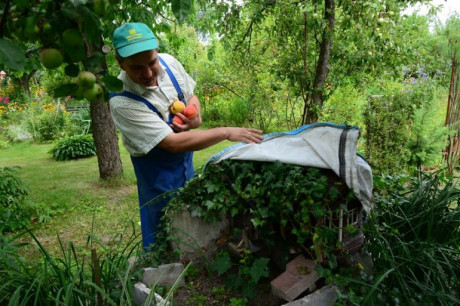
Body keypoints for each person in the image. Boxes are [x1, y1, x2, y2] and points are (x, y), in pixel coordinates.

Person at [109, 22, 263, 252]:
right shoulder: (122, 101)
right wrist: (226, 132)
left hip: (185, 160)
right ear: (121, 63)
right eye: (137, 68)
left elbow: (192, 98)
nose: (149, 73)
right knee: (162, 227)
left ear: (157, 51)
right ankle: (159, 268)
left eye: (152, 62)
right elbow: (171, 143)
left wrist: (194, 117)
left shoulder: (169, 64)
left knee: (191, 215)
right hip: (155, 170)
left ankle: (193, 257)